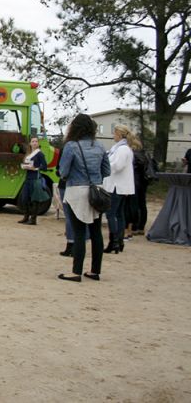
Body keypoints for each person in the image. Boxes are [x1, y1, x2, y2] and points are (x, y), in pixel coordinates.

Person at [57, 113, 111, 282]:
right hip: (97, 191)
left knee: (79, 231)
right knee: (96, 232)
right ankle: (95, 271)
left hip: (77, 191)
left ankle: (76, 271)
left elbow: (63, 171)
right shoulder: (100, 146)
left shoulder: (71, 146)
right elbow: (107, 171)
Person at [103, 124, 135, 253]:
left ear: (120, 135)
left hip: (117, 186)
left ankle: (114, 241)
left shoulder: (122, 149)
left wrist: (106, 165)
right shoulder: (119, 148)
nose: (113, 136)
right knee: (119, 214)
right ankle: (119, 241)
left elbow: (118, 165)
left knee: (111, 214)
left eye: (114, 133)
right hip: (119, 186)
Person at [18, 136, 48, 225]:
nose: (34, 143)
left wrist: (35, 168)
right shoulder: (28, 154)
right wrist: (24, 166)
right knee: (24, 198)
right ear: (30, 143)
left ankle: (33, 219)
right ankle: (26, 217)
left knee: (34, 200)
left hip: (35, 178)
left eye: (36, 141)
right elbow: (26, 164)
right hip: (28, 178)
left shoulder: (40, 154)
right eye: (33, 141)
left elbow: (45, 167)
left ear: (38, 144)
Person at [126, 137, 150, 238]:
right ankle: (141, 227)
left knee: (133, 205)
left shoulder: (132, 155)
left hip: (134, 181)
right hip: (143, 182)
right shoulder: (145, 154)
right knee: (142, 204)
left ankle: (134, 226)